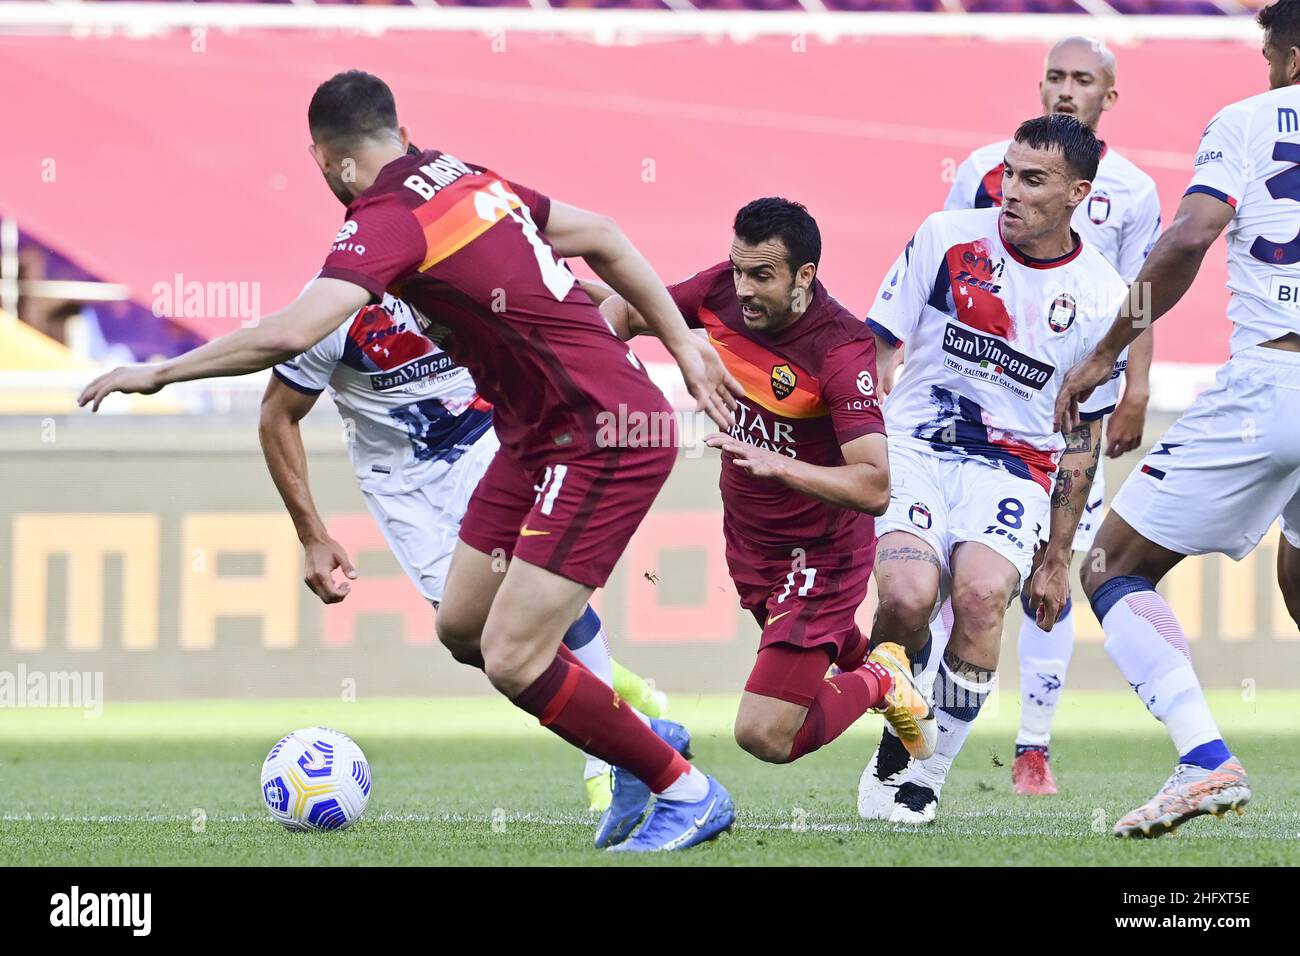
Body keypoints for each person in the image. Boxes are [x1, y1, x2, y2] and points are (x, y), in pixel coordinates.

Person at [79, 70, 743, 852]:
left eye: (323, 168)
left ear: (331, 161)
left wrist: (157, 371)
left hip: (602, 433)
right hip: (537, 437)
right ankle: (640, 740)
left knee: (512, 655)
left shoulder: (388, 217)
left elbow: (292, 332)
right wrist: (679, 347)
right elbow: (602, 232)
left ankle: (686, 791)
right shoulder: (465, 178)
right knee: (465, 626)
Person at [259, 289, 671, 814]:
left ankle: (609, 755)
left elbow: (570, 286)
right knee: (467, 635)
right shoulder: (334, 311)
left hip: (491, 439)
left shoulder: (475, 271)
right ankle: (616, 691)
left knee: (536, 581)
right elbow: (277, 416)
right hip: (403, 486)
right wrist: (312, 535)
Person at [1055, 0, 1300, 839]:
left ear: (1292, 59)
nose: (1268, 71)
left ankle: (1204, 760)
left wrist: (1104, 351)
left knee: (1109, 564)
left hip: (1278, 377)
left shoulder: (1250, 119)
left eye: (1272, 57)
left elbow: (1191, 236)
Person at [600, 198, 935, 773]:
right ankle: (884, 668)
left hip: (822, 556)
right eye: (738, 269)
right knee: (822, 651)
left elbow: (875, 485)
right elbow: (625, 313)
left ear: (805, 275)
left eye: (762, 275)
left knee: (765, 734)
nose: (744, 288)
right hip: (751, 542)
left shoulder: (841, 349)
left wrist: (776, 464)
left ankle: (881, 678)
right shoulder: (718, 295)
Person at [858, 114, 1128, 824]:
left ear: (1077, 193)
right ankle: (899, 731)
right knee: (910, 598)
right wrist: (854, 439)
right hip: (915, 441)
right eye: (1008, 172)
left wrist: (1056, 558)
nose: (1010, 190)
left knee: (979, 600)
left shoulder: (1102, 297)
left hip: (1014, 468)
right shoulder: (946, 239)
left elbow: (1080, 440)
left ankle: (925, 773)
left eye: (1032, 180)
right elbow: (875, 349)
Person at [925, 36, 1163, 796]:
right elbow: (942, 268)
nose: (1066, 89)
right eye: (1055, 77)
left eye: (1082, 79)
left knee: (1058, 560)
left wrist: (1136, 391)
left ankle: (1033, 745)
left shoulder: (1134, 190)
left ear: (1109, 95)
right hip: (976, 393)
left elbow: (1143, 297)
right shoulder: (981, 169)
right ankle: (922, 727)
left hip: (1069, 399)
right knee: (948, 565)